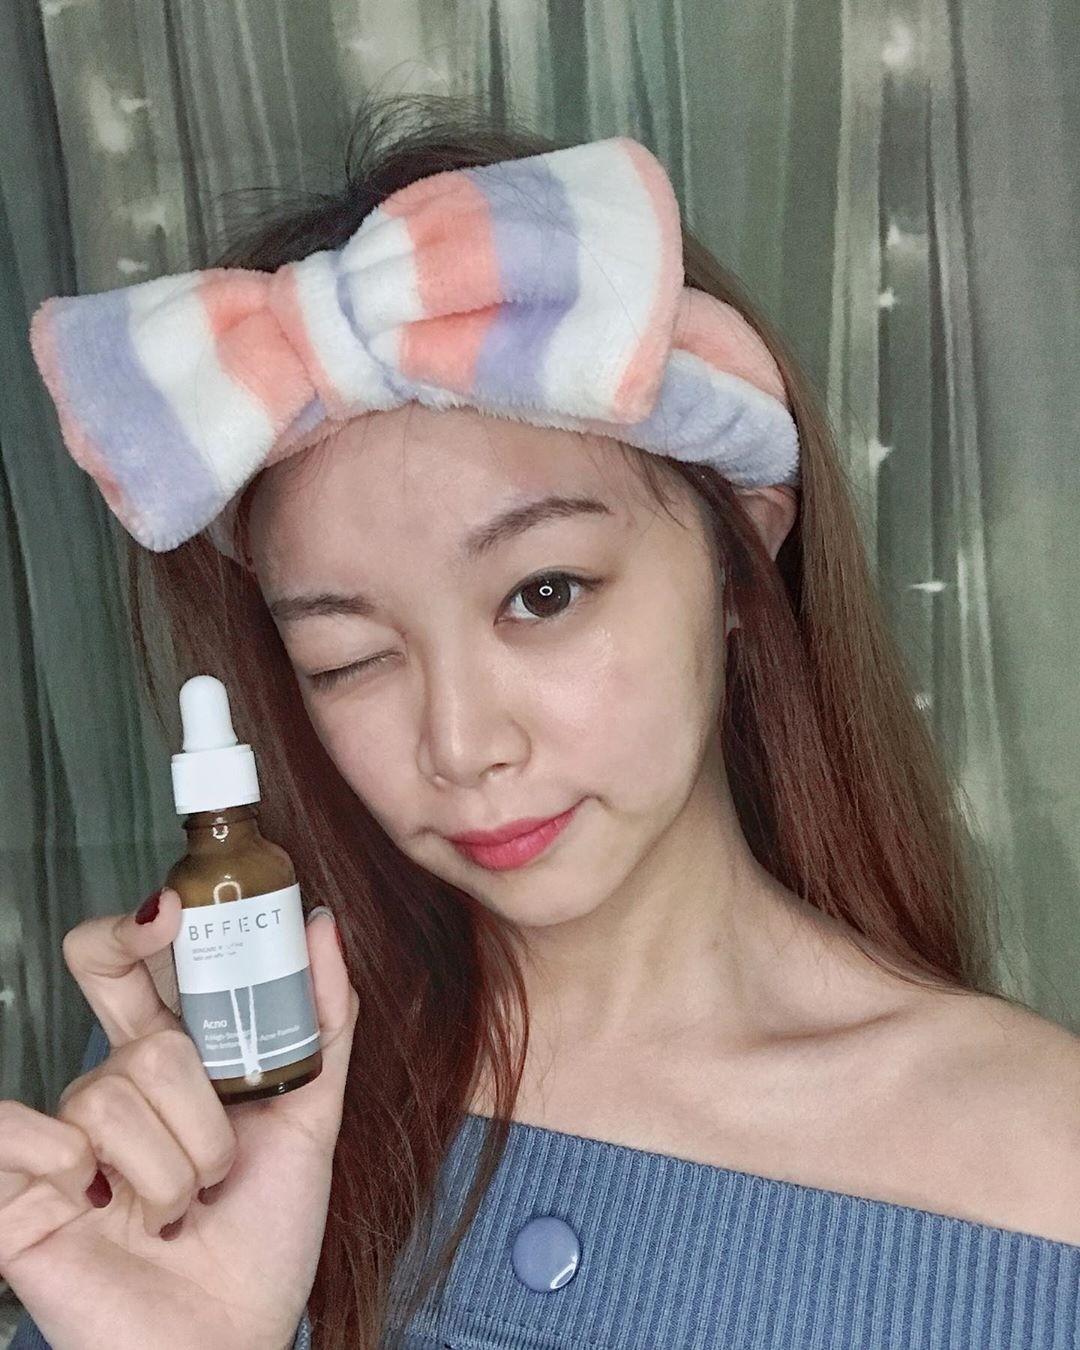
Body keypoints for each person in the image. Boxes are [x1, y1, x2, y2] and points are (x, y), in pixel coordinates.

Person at [5, 91, 1080, 1350]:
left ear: (740, 562)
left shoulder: (1039, 1170)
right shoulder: (228, 1124)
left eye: (544, 594)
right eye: (350, 658)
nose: (462, 747)